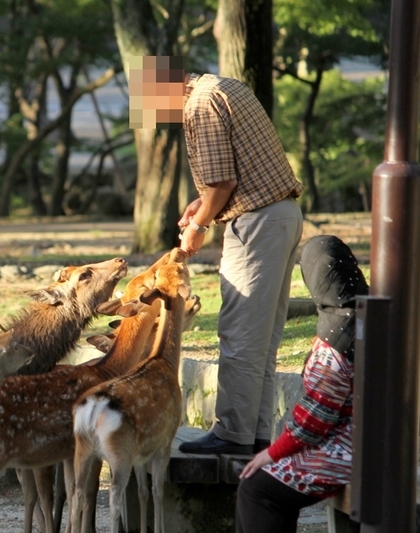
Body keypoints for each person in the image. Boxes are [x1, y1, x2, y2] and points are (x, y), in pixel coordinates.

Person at [129, 55, 306, 454]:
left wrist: (198, 226)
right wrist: (203, 203)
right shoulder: (223, 86)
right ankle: (254, 434)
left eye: (155, 106)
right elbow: (231, 176)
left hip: (258, 222)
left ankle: (231, 434)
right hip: (280, 214)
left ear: (165, 89)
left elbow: (223, 181)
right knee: (261, 336)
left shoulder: (198, 105)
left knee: (240, 332)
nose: (161, 117)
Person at [236, 234, 369, 532]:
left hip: (346, 453)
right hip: (372, 447)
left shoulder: (339, 339)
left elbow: (314, 422)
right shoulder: (376, 317)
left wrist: (269, 453)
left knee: (256, 487)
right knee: (263, 482)